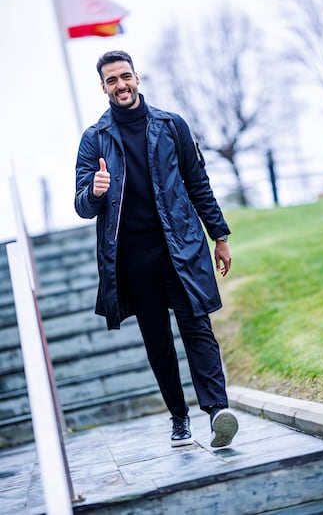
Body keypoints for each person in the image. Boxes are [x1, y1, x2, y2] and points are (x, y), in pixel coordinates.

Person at [74, 50, 238, 449]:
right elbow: (80, 203)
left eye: (125, 76)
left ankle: (217, 411)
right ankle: (179, 418)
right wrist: (94, 194)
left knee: (198, 328)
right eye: (112, 80)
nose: (121, 85)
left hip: (180, 248)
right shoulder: (94, 139)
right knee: (157, 341)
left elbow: (197, 182)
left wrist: (219, 235)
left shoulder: (171, 125)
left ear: (137, 78)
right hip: (133, 261)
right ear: (103, 88)